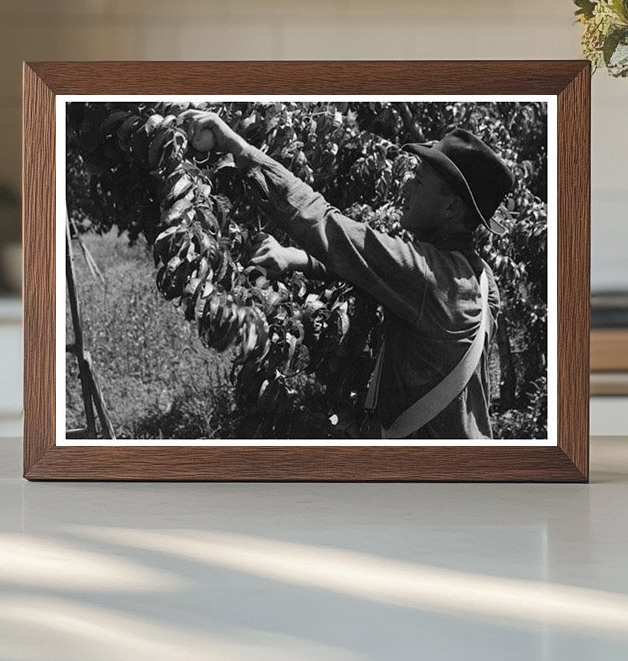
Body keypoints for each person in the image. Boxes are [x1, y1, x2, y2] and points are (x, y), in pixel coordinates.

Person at [180, 109, 514, 440]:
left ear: (452, 208)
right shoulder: (483, 280)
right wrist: (298, 259)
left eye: (420, 179)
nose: (407, 183)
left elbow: (326, 223)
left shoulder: (428, 276)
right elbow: (381, 274)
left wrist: (237, 147)